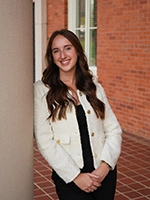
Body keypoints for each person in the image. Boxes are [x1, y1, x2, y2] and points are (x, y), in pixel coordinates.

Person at [34, 29, 122, 200]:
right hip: (69, 178)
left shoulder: (93, 85)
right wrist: (75, 176)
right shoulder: (41, 90)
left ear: (77, 51)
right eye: (56, 50)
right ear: (51, 56)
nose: (62, 55)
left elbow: (114, 130)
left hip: (104, 172)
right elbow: (44, 140)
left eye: (68, 48)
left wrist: (105, 167)